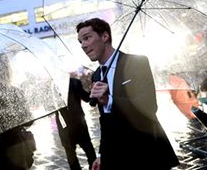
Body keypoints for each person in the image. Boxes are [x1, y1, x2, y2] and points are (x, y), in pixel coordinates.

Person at [76, 18, 179, 170]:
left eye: (87, 38)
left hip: (146, 153)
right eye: (80, 42)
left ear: (105, 36)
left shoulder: (137, 63)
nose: (83, 45)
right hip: (117, 157)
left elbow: (149, 106)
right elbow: (105, 121)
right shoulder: (97, 75)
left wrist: (110, 100)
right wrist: (101, 154)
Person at [55, 76, 96, 170]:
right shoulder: (74, 82)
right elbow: (86, 98)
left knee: (71, 155)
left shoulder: (52, 87)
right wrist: (91, 90)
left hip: (65, 125)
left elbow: (48, 107)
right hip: (78, 122)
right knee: (88, 150)